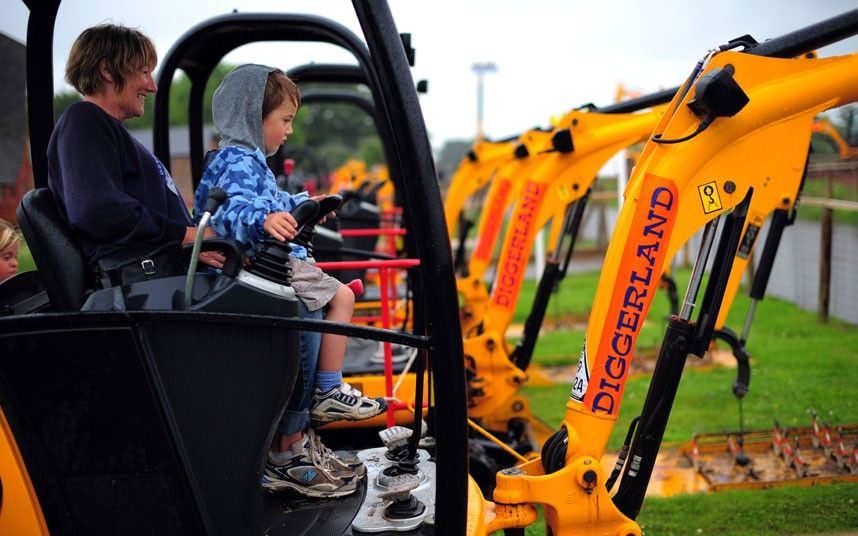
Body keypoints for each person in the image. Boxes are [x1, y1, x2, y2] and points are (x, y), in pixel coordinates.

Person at [194, 64, 386, 497]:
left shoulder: (252, 163)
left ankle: (315, 409)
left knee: (330, 298)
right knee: (330, 299)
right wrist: (265, 219)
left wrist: (307, 202)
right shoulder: (235, 161)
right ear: (252, 118)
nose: (288, 132)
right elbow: (233, 213)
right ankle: (321, 398)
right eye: (284, 121)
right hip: (246, 270)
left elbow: (275, 198)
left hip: (262, 265)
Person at [46, 24, 223, 272]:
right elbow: (97, 210)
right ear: (107, 70)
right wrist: (183, 236)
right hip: (141, 283)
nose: (152, 86)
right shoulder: (84, 120)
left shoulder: (111, 132)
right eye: (144, 72)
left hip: (164, 274)